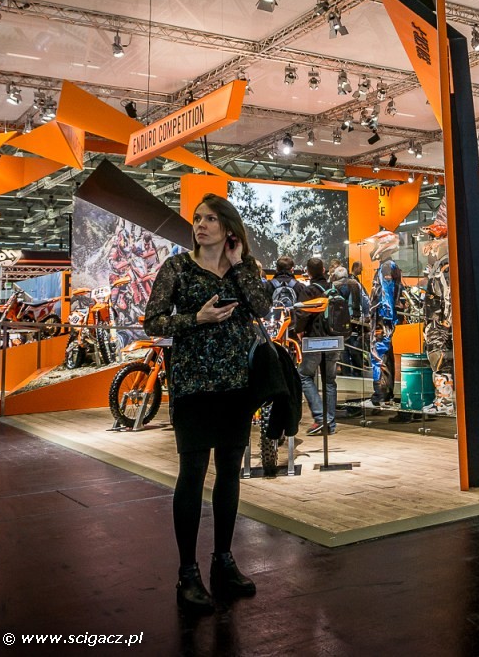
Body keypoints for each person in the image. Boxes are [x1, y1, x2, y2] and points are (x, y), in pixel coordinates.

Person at [143, 193, 271, 613]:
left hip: (237, 385)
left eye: (211, 219)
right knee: (193, 474)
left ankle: (223, 562)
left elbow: (262, 308)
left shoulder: (244, 268)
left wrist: (238, 264)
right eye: (197, 218)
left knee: (230, 473)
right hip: (193, 386)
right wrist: (195, 318)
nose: (200, 225)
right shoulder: (177, 267)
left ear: (228, 227)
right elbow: (153, 321)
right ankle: (187, 573)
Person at [298, 257, 341, 436]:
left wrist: (299, 331)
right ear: (324, 270)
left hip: (315, 339)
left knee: (303, 375)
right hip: (334, 339)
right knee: (330, 381)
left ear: (308, 272)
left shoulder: (308, 291)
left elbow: (302, 314)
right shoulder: (334, 289)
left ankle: (320, 417)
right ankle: (329, 423)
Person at [370, 260, 403, 405]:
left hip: (382, 319)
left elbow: (386, 292)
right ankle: (385, 393)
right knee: (385, 355)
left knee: (379, 355)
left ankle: (381, 394)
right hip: (384, 319)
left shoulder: (386, 267)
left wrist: (386, 317)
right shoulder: (390, 267)